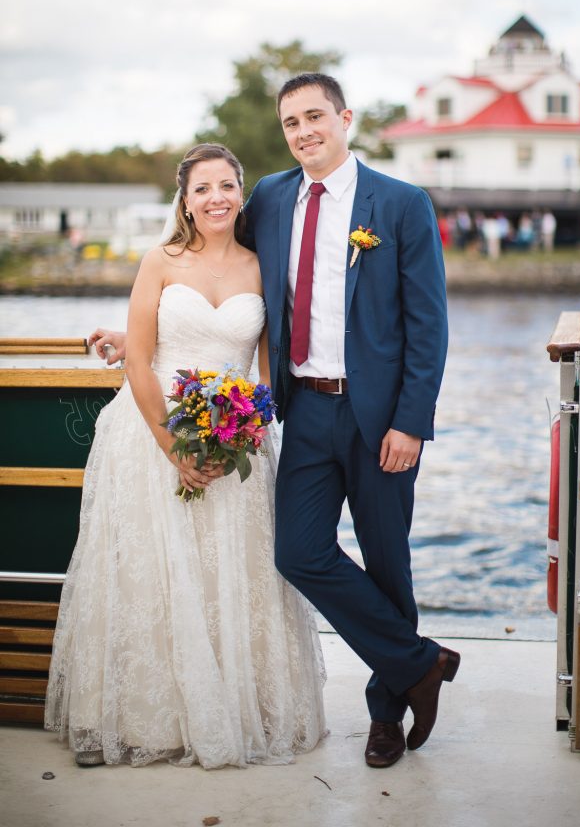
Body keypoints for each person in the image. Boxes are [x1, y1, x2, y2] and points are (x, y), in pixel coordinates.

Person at [92, 73, 458, 770]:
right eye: (291, 122)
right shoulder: (270, 196)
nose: (303, 131)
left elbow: (428, 326)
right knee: (297, 553)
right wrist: (138, 333)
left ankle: (387, 713)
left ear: (345, 118)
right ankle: (419, 663)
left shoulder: (402, 204)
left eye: (315, 116)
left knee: (387, 563)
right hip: (304, 408)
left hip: (381, 417)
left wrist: (410, 422)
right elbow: (211, 265)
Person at [46, 144, 326, 769]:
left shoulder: (260, 266)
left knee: (229, 575)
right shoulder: (160, 261)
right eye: (202, 189)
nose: (216, 198)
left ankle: (232, 708)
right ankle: (135, 718)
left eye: (227, 185)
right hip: (151, 435)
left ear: (240, 193)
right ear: (186, 199)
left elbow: (266, 367)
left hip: (236, 444)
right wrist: (173, 446)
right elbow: (140, 359)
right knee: (150, 574)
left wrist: (250, 430)